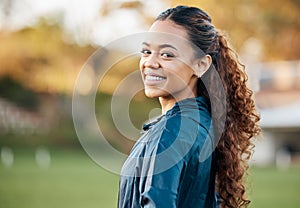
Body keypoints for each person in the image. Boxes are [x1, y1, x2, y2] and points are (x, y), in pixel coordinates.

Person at [118, 5, 260, 208]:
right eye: (146, 51)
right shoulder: (198, 123)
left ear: (201, 65)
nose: (150, 62)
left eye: (167, 54)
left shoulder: (175, 130)